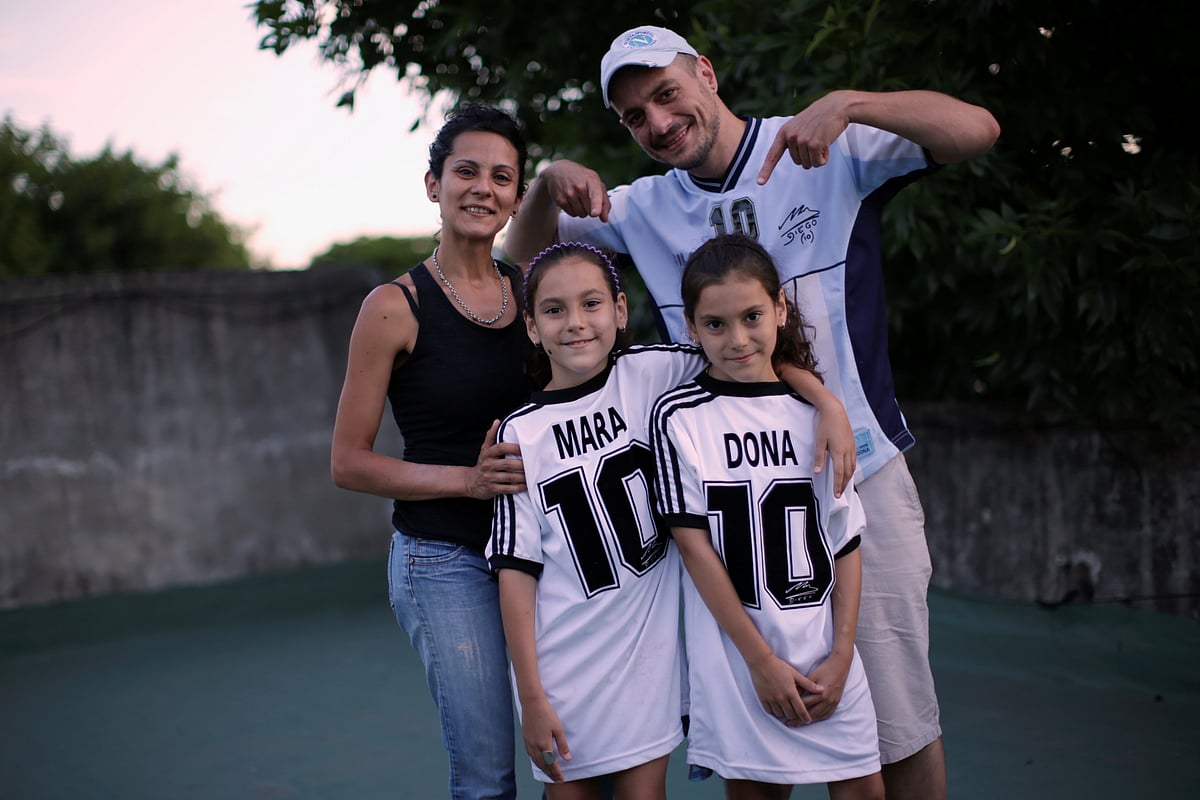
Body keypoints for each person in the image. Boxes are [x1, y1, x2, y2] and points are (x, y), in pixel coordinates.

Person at [504, 24, 1001, 798]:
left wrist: (851, 102)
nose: (658, 123)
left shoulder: (823, 145)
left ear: (705, 73)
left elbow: (978, 131)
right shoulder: (638, 208)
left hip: (856, 472)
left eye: (667, 94)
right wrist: (546, 182)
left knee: (899, 727)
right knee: (754, 752)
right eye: (635, 116)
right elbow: (520, 256)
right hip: (731, 504)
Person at [486, 242, 852, 798]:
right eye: (555, 310)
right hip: (562, 658)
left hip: (644, 656)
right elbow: (516, 573)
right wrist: (530, 695)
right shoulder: (521, 431)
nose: (577, 323)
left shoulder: (654, 372)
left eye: (591, 304)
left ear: (620, 310)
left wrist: (828, 404)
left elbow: (753, 358)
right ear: (532, 327)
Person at [330, 103, 532, 800]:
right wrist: (466, 482)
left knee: (576, 757)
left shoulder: (534, 295)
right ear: (433, 184)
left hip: (539, 552)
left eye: (502, 177)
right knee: (487, 778)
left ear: (515, 197)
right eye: (466, 171)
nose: (483, 188)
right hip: (444, 559)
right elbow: (349, 462)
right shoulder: (392, 306)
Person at [651, 234, 883, 800]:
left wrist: (843, 652)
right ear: (690, 326)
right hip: (741, 656)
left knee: (865, 791)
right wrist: (760, 662)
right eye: (715, 324)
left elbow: (845, 540)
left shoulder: (814, 411)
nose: (737, 339)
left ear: (780, 308)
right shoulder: (678, 416)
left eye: (753, 316)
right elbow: (695, 548)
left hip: (826, 646)